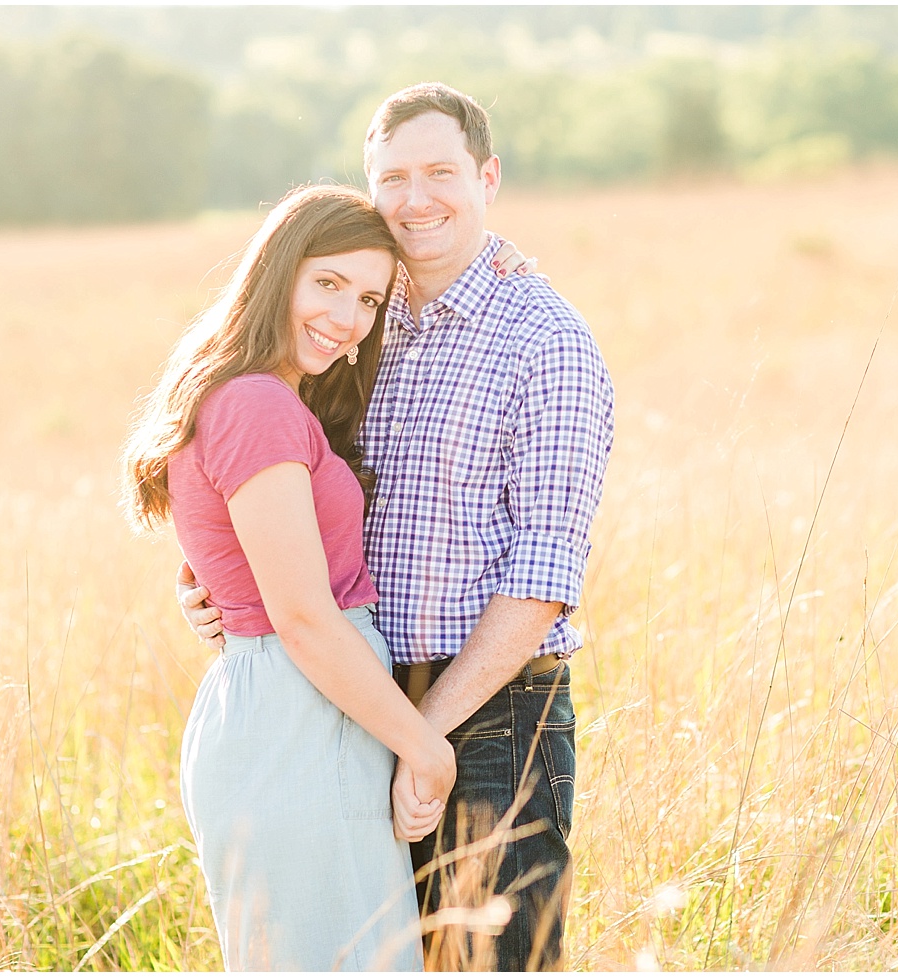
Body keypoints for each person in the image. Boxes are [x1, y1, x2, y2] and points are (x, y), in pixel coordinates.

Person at [179, 82, 616, 970]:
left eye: (441, 173)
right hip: (348, 707)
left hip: (485, 723)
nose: (417, 199)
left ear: (487, 176)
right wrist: (220, 584)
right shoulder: (358, 330)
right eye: (393, 178)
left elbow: (541, 577)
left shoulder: (546, 342)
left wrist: (430, 734)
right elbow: (276, 489)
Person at [124, 184, 526, 970]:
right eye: (329, 283)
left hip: (298, 708)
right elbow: (305, 618)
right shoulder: (258, 405)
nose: (347, 318)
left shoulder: (264, 399)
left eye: (370, 297)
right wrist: (427, 748)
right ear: (279, 273)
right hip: (302, 718)